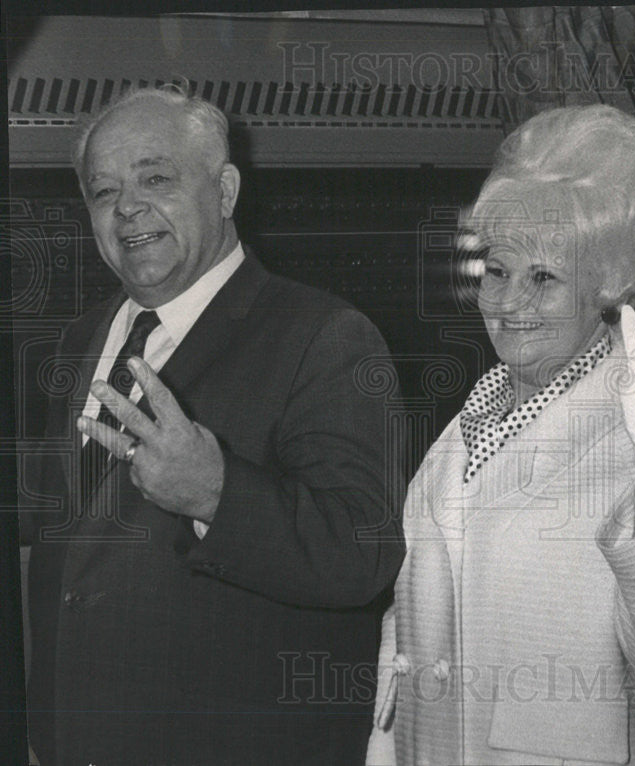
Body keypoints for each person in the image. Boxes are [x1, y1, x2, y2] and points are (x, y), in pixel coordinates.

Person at [367, 104, 635, 766]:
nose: (509, 301)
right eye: (498, 270)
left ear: (607, 283)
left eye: (543, 277)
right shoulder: (465, 431)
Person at [19, 87, 405, 765]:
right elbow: (82, 537)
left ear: (225, 190)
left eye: (155, 178)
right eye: (103, 191)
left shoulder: (325, 336)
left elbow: (361, 556)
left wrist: (216, 495)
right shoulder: (80, 340)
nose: (127, 207)